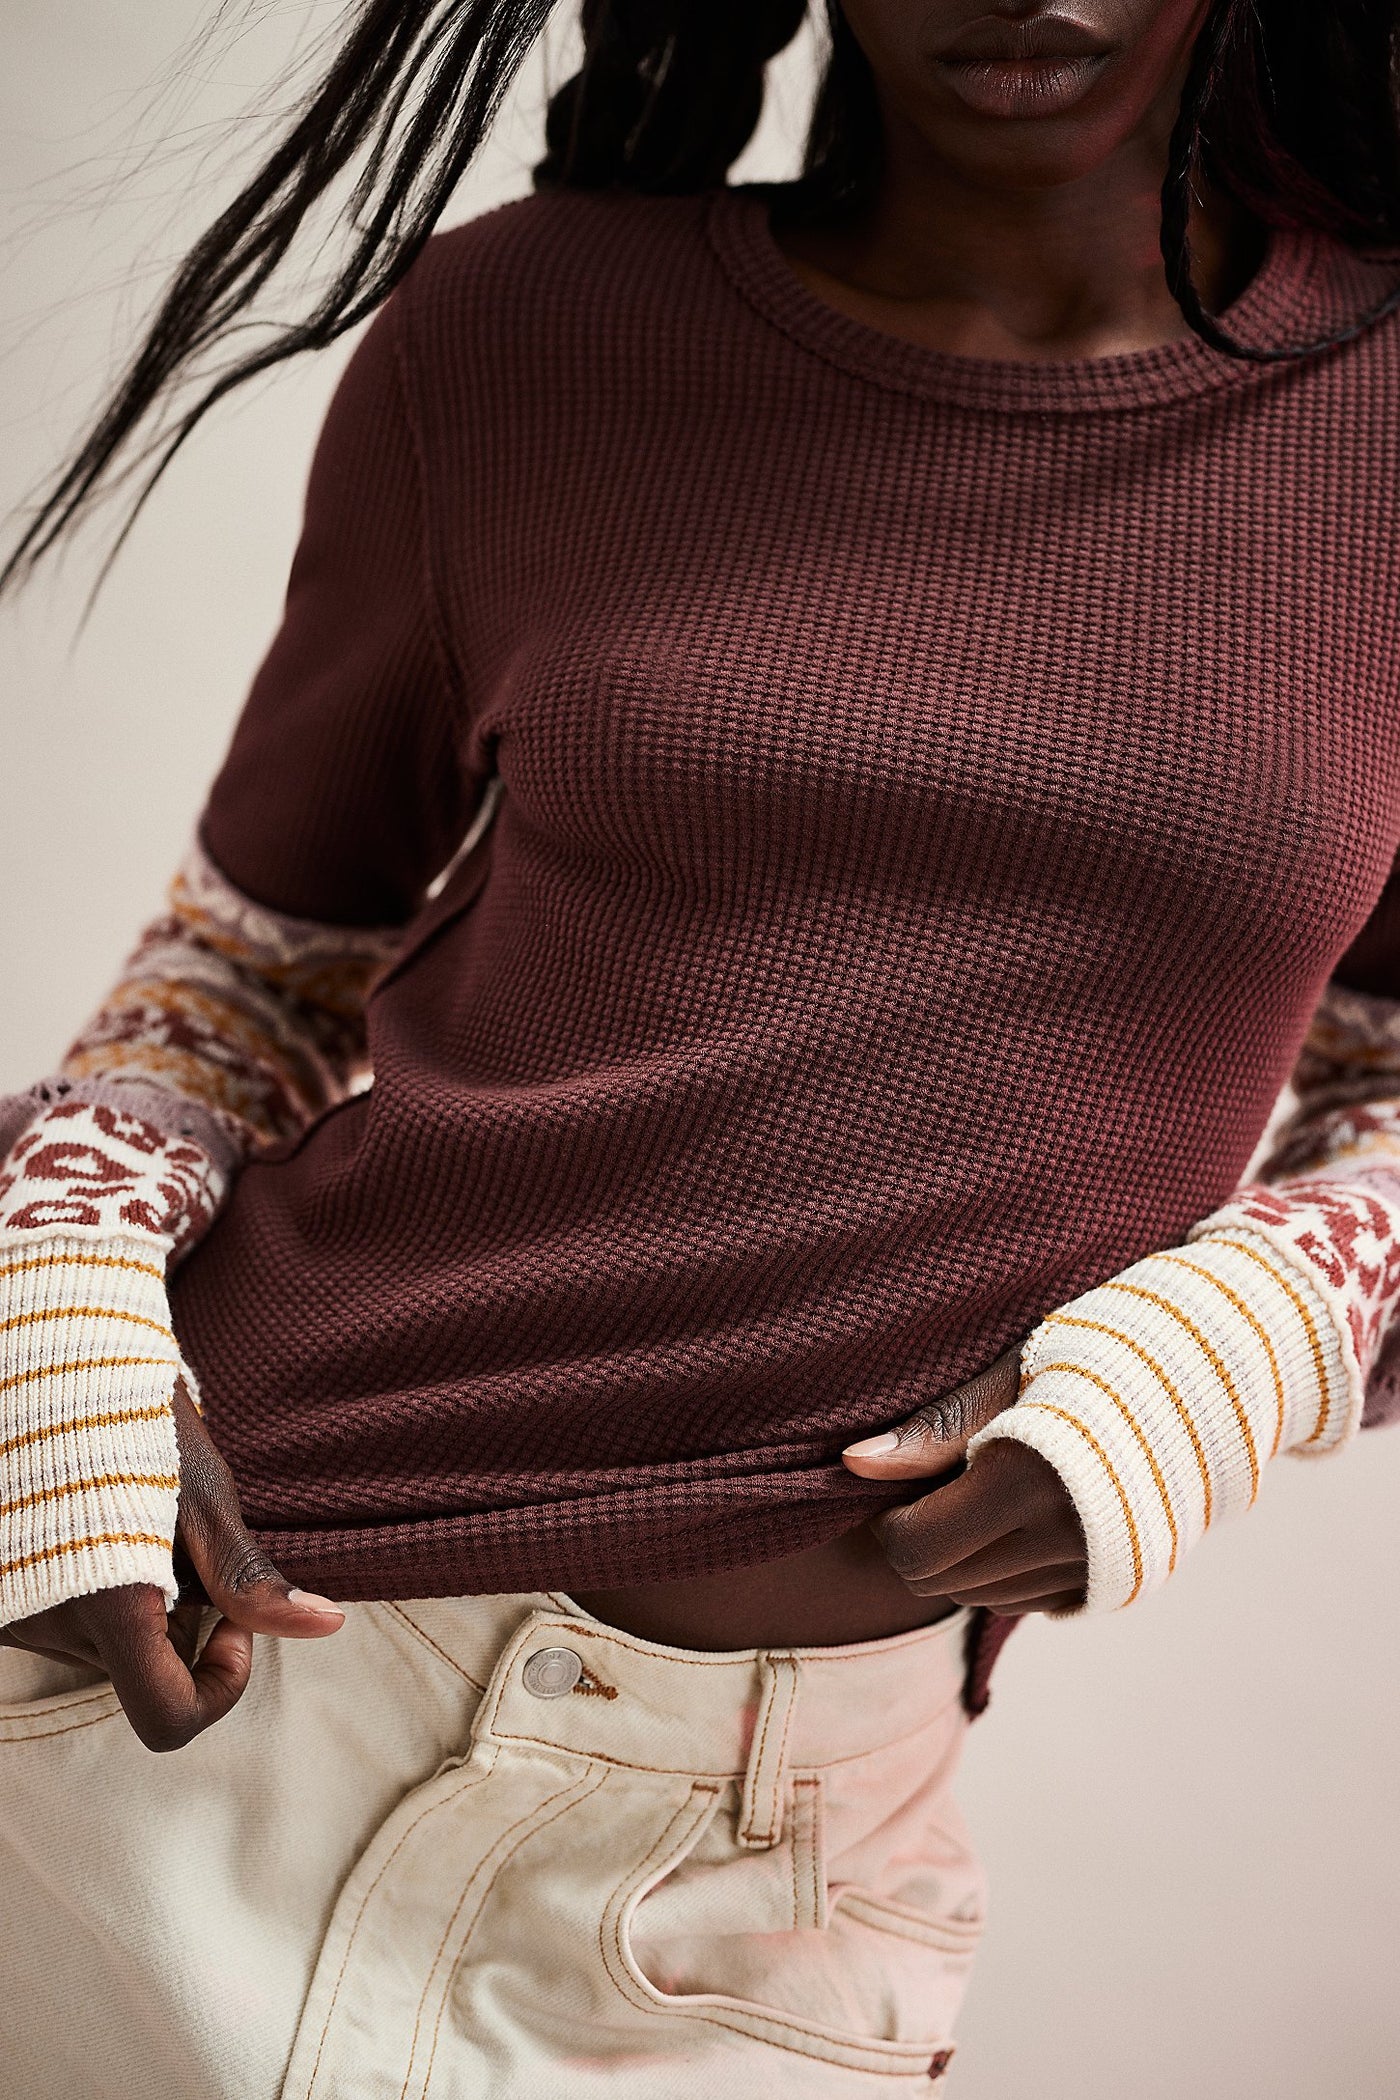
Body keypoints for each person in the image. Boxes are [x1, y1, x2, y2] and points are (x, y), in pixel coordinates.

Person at [2, 0, 1400, 2091]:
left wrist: (1262, 1327)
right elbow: (250, 967)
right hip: (194, 1690)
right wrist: (50, 1299)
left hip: (761, 1873)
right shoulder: (523, 331)